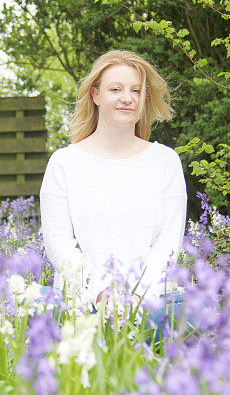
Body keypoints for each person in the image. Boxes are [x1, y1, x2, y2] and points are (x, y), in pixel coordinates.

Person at [39, 50, 189, 341]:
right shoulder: (64, 163)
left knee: (200, 310)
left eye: (136, 90)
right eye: (116, 89)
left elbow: (168, 244)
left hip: (150, 302)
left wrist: (135, 300)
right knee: (26, 304)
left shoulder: (165, 162)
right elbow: (59, 246)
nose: (127, 98)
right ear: (95, 95)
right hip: (83, 303)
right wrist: (102, 295)